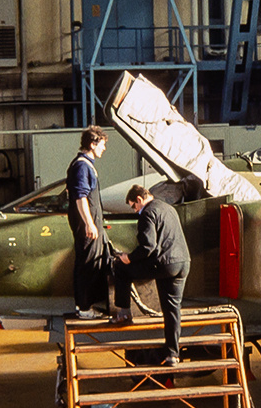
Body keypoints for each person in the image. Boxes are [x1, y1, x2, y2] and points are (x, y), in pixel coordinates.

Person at [112, 184, 191, 365]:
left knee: (121, 269)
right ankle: (173, 354)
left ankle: (123, 313)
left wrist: (128, 258)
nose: (135, 210)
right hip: (183, 263)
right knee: (172, 309)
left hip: (164, 265)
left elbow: (148, 247)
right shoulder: (168, 208)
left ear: (139, 200)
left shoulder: (147, 213)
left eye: (133, 206)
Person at [68, 126, 112, 319]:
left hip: (91, 222)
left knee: (90, 262)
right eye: (102, 145)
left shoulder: (86, 164)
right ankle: (84, 308)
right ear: (92, 144)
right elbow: (80, 196)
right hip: (87, 224)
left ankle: (86, 306)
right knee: (87, 263)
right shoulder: (82, 166)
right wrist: (89, 223)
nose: (104, 149)